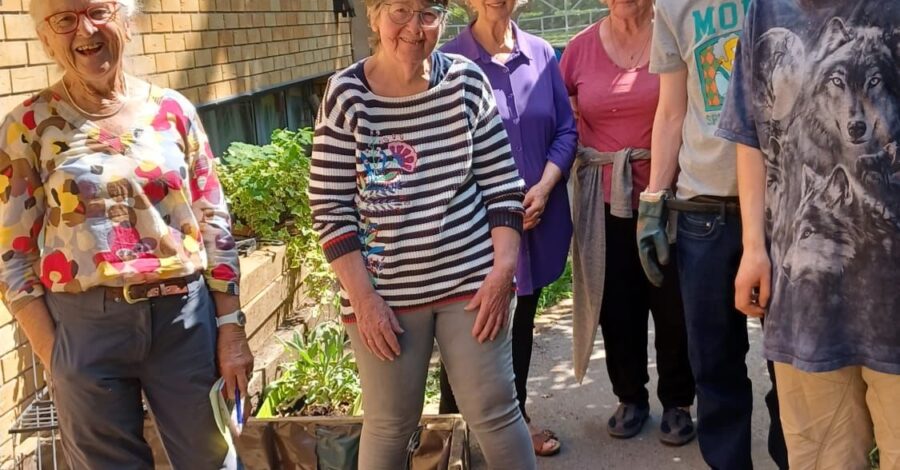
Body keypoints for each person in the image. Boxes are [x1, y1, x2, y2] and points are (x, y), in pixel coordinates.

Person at [0, 1, 253, 468]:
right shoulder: (28, 126)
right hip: (85, 328)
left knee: (214, 462)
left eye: (99, 11)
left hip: (184, 321)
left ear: (127, 22)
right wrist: (55, 355)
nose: (85, 30)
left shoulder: (173, 110)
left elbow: (214, 222)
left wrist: (230, 328)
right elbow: (11, 255)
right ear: (45, 40)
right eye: (65, 19)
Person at [308, 0, 536, 468]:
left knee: (495, 412)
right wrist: (365, 300)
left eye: (428, 12)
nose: (414, 27)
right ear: (374, 16)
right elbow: (330, 210)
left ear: (442, 20)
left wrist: (502, 273)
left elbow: (503, 188)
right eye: (400, 11)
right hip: (384, 296)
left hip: (470, 285)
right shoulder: (346, 95)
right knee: (390, 425)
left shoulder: (466, 83)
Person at [717, 0, 900, 468]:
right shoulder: (764, 10)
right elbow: (750, 136)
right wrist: (753, 248)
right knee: (821, 459)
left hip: (892, 297)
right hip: (805, 302)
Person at [636, 0, 789, 467]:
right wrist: (654, 199)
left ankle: (795, 458)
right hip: (703, 209)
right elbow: (671, 110)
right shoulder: (672, 7)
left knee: (792, 365)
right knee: (714, 365)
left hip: (781, 208)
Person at [437, 0, 577, 456]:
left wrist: (544, 187)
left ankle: (514, 421)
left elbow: (566, 131)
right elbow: (442, 153)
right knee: (467, 330)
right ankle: (450, 436)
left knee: (519, 325)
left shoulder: (542, 54)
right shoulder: (447, 61)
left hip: (536, 221)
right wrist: (499, 210)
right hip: (474, 231)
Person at [560, 0, 696, 446]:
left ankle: (678, 401)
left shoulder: (672, 32)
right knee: (618, 306)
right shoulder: (578, 50)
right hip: (604, 200)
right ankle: (630, 396)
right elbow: (563, 117)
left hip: (670, 195)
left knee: (673, 304)